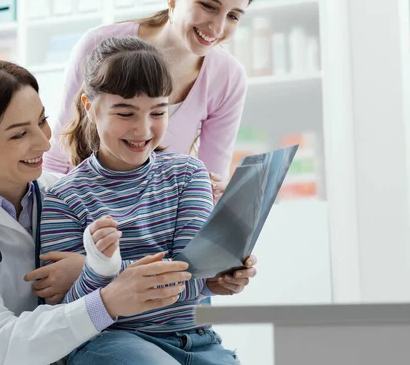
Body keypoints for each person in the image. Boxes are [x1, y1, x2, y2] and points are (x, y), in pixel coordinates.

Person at [0, 59, 194, 365]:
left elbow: (139, 257)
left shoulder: (66, 193)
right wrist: (107, 302)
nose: (44, 142)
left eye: (42, 121)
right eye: (19, 134)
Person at [40, 36, 255, 364]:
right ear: (89, 106)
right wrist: (100, 272)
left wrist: (93, 269)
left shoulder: (188, 175)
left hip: (196, 341)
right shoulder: (62, 197)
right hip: (110, 343)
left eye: (158, 112)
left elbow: (192, 278)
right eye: (125, 113)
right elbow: (67, 311)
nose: (143, 129)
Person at [43, 0, 257, 201]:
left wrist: (214, 195)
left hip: (158, 219)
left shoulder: (228, 77)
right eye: (208, 6)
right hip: (81, 208)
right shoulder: (100, 44)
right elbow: (57, 156)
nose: (217, 28)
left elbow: (210, 178)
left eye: (233, 16)